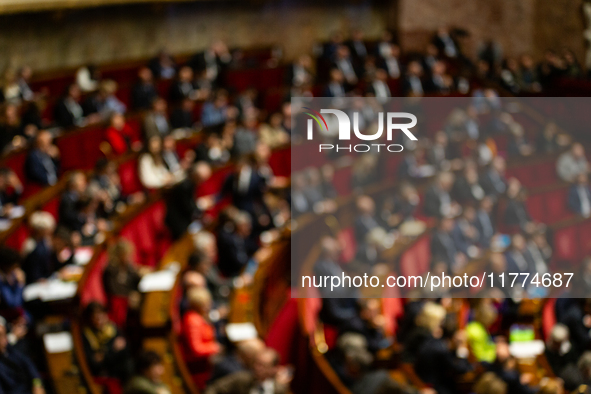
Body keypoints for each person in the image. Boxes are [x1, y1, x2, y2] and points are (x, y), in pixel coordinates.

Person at [81, 302, 133, 381]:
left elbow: (126, 351)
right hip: (102, 375)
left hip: (120, 371)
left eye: (102, 316)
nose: (99, 321)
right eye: (95, 318)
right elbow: (93, 363)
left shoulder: (113, 329)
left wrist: (103, 355)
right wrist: (113, 350)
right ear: (89, 319)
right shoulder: (87, 335)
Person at [204, 348, 290, 394]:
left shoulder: (279, 389)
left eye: (263, 366)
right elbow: (213, 388)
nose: (257, 368)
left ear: (274, 369)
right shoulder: (242, 379)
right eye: (256, 363)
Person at [182, 287, 220, 388]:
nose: (210, 304)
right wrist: (215, 348)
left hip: (204, 365)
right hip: (196, 368)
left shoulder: (200, 317)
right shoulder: (192, 320)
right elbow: (196, 349)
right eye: (207, 302)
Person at [164, 161, 212, 239]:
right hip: (177, 221)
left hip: (183, 217)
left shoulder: (190, 183)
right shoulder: (185, 186)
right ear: (196, 176)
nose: (201, 183)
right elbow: (187, 207)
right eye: (201, 179)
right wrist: (200, 208)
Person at [0, 317, 45, 394]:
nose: (5, 341)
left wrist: (37, 384)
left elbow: (29, 365)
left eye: (4, 335)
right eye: (0, 337)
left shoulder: (10, 349)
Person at [102, 239, 142, 326]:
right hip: (118, 303)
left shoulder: (127, 265)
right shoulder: (110, 270)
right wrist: (129, 297)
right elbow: (114, 291)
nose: (129, 257)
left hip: (129, 299)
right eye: (127, 255)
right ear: (120, 255)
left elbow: (136, 278)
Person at [0, 247, 25, 312]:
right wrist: (20, 284)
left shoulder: (10, 275)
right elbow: (14, 304)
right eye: (14, 267)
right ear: (6, 267)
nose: (16, 270)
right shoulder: (2, 279)